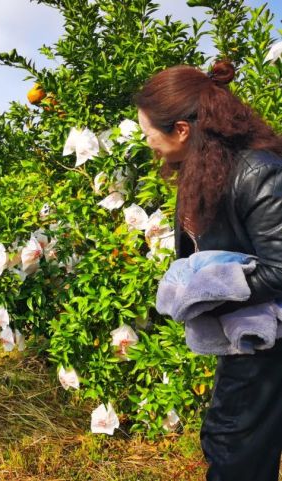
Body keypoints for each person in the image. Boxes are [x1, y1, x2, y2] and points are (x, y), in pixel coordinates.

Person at [135, 60, 282, 481]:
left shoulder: (257, 173)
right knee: (237, 444)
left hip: (270, 344)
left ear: (181, 129)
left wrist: (205, 293)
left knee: (234, 448)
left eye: (150, 134)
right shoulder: (203, 168)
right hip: (245, 334)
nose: (149, 144)